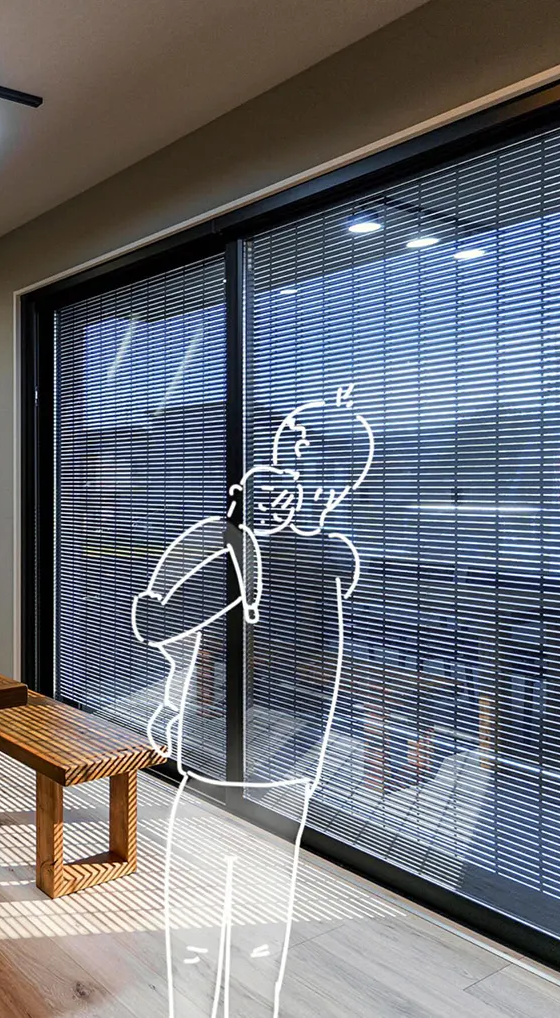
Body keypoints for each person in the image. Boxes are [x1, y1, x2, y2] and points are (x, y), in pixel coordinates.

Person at [132, 385, 374, 1018]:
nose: (281, 465)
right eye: (284, 449)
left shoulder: (315, 554)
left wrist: (234, 553)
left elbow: (165, 618)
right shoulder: (254, 547)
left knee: (245, 912)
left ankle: (230, 995)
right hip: (242, 747)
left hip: (285, 746)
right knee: (212, 908)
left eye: (296, 453)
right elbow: (160, 620)